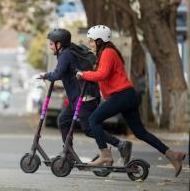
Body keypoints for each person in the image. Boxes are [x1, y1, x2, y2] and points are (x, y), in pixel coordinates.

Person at [76, 25, 186, 176]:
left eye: (92, 41)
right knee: (140, 132)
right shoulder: (105, 53)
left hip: (122, 95)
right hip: (126, 96)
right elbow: (104, 76)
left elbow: (102, 74)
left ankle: (105, 155)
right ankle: (173, 155)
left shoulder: (108, 52)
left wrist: (84, 74)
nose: (90, 44)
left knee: (93, 120)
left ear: (100, 41)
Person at [39, 28, 132, 164]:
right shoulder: (68, 51)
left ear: (59, 44)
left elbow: (57, 74)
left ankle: (120, 145)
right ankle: (68, 152)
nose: (50, 46)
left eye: (52, 44)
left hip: (84, 98)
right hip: (78, 98)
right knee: (63, 120)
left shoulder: (66, 54)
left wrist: (46, 76)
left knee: (89, 129)